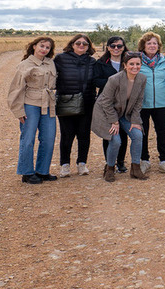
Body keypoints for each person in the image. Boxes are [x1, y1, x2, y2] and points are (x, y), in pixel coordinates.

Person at [8, 36, 59, 184]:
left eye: (47, 47)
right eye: (41, 46)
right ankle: (27, 172)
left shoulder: (50, 63)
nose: (44, 49)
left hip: (48, 104)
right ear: (34, 46)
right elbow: (16, 89)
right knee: (28, 139)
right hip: (30, 104)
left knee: (49, 138)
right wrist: (18, 111)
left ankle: (42, 171)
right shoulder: (25, 64)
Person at [91, 52, 147, 181]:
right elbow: (105, 102)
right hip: (106, 112)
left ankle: (135, 169)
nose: (135, 67)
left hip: (124, 112)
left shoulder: (142, 79)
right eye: (131, 64)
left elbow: (139, 102)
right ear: (125, 65)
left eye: (138, 64)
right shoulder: (114, 79)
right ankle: (110, 169)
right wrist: (114, 121)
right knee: (116, 140)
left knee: (138, 135)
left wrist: (135, 120)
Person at [54, 33, 98, 177]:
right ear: (72, 44)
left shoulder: (92, 62)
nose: (81, 46)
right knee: (67, 135)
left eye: (85, 44)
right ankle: (65, 165)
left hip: (87, 102)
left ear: (88, 47)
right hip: (66, 102)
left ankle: (82, 163)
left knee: (84, 135)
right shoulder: (60, 59)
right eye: (78, 43)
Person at [137, 31, 165, 175]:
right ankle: (144, 161)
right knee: (142, 133)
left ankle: (164, 161)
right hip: (142, 104)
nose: (152, 45)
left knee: (163, 132)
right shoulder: (137, 60)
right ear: (143, 45)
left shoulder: (164, 61)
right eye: (149, 43)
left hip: (162, 103)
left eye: (155, 43)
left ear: (158, 46)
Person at [93, 36, 130, 172]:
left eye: (119, 46)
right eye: (113, 46)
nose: (116, 48)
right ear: (108, 47)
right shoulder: (101, 63)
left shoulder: (128, 62)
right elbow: (96, 81)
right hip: (107, 103)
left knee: (123, 133)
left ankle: (120, 162)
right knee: (109, 133)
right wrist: (113, 83)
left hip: (125, 102)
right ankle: (110, 163)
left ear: (123, 47)